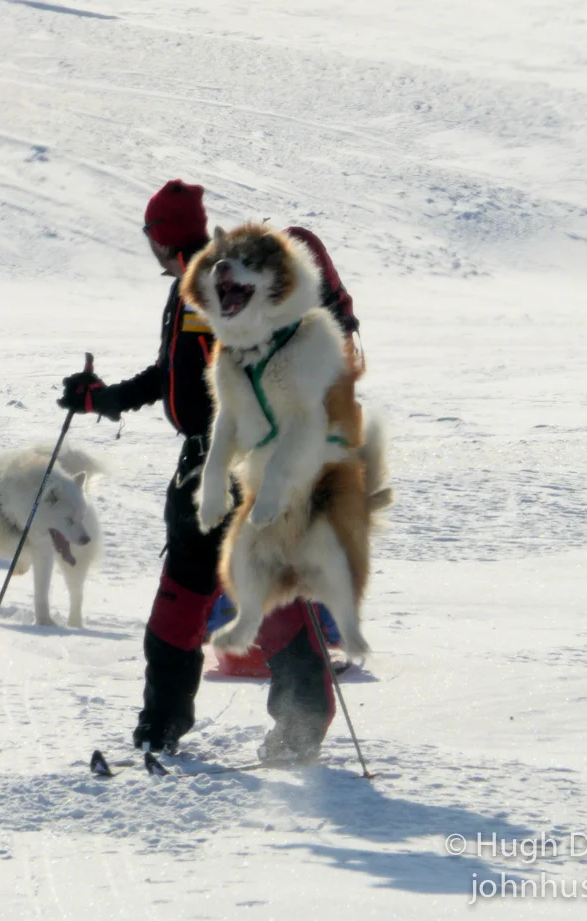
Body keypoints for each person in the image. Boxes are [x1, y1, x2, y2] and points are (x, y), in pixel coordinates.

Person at [57, 180, 358, 762]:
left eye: (150, 232)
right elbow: (169, 375)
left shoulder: (221, 286)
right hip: (203, 465)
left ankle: (296, 728)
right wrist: (99, 399)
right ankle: (163, 725)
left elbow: (227, 386)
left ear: (161, 236)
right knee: (186, 595)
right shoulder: (193, 287)